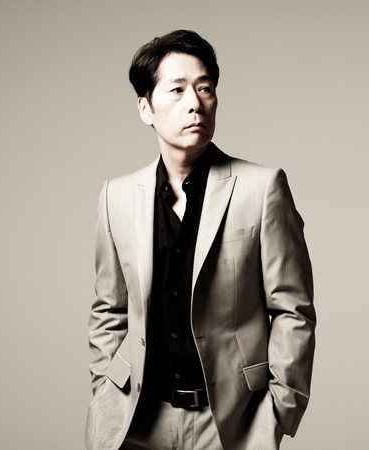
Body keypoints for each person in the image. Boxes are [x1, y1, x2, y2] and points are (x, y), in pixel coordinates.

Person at [86, 30, 315, 450]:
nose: (195, 102)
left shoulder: (262, 188)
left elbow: (292, 309)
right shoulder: (115, 197)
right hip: (136, 421)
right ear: (145, 108)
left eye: (205, 88)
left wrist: (280, 410)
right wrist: (105, 391)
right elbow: (109, 309)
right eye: (177, 90)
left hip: (230, 424)